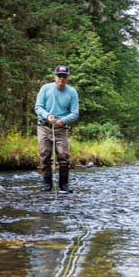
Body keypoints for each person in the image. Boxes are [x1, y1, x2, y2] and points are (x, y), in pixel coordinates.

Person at [35, 64, 79, 193]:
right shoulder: (45, 88)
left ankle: (63, 185)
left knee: (64, 156)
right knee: (45, 155)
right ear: (55, 76)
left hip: (61, 128)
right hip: (44, 125)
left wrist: (63, 121)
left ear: (68, 78)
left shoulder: (72, 92)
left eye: (64, 77)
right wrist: (47, 115)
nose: (61, 79)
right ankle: (47, 184)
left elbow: (75, 113)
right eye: (59, 76)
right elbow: (38, 107)